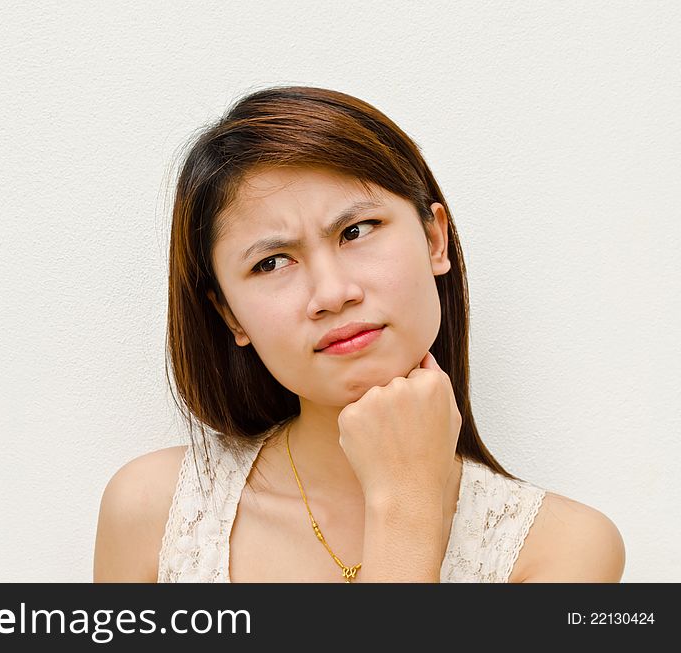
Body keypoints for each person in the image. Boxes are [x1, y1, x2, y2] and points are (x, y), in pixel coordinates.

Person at [92, 85, 625, 582]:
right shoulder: (154, 510)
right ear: (230, 315)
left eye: (356, 231)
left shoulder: (563, 550)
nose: (332, 293)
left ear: (435, 240)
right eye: (272, 262)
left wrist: (406, 503)